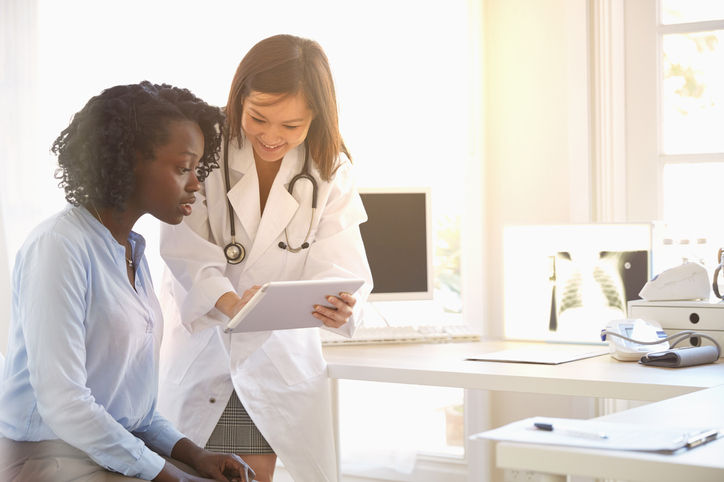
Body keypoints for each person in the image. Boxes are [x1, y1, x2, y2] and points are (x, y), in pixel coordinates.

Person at [0, 81, 254, 482]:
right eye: (183, 167)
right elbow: (64, 403)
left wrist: (195, 455)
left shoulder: (130, 251)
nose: (196, 183)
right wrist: (170, 475)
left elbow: (135, 411)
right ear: (130, 160)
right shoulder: (59, 246)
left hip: (105, 450)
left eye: (197, 168)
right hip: (45, 459)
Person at [158, 35, 373, 482]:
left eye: (292, 126)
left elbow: (342, 264)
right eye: (258, 117)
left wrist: (339, 303)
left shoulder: (327, 165)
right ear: (238, 98)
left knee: (256, 474)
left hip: (278, 357)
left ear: (317, 116)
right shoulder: (202, 146)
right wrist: (232, 303)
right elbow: (184, 250)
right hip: (207, 349)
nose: (272, 136)